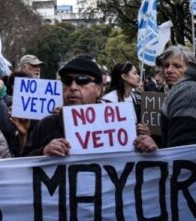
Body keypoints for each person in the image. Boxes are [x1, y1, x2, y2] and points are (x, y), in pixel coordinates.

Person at [24, 56, 156, 156]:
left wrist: (148, 145)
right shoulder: (46, 125)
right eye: (67, 81)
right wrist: (43, 152)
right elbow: (22, 165)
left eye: (82, 81)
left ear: (99, 89)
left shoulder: (119, 124)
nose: (73, 87)